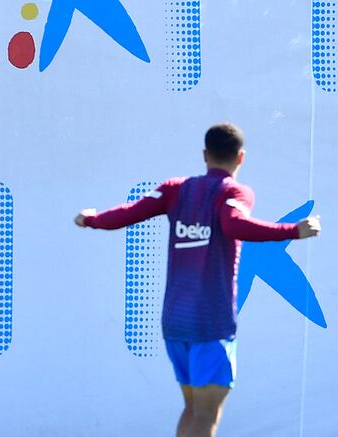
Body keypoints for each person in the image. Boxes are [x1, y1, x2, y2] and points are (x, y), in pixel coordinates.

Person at [74, 123, 320, 437]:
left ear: (205, 155)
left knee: (192, 410)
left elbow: (128, 213)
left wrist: (91, 218)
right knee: (206, 414)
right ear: (241, 158)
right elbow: (233, 225)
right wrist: (292, 231)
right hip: (209, 322)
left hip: (175, 322)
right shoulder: (234, 191)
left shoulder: (175, 188)